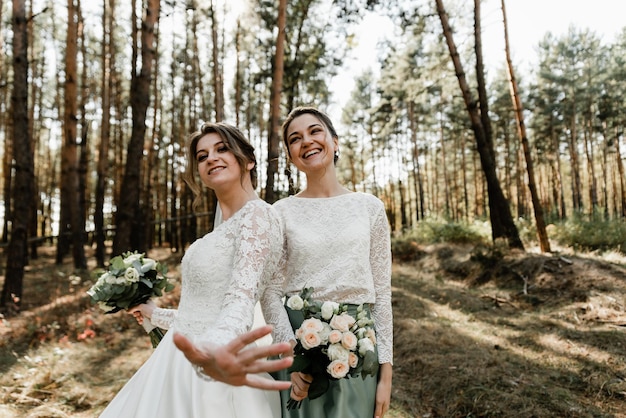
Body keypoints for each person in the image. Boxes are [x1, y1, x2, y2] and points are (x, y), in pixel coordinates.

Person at [99, 122, 287, 418]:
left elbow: (241, 299)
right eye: (202, 156)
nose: (211, 158)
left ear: (248, 160)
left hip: (216, 367)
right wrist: (154, 313)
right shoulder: (215, 234)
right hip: (175, 363)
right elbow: (198, 315)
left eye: (222, 149)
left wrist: (215, 350)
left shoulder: (257, 215)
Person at [261, 106, 393, 418]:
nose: (306, 141)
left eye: (314, 131)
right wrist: (291, 357)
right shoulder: (279, 212)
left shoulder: (370, 208)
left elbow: (383, 293)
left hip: (359, 345)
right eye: (295, 138)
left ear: (334, 141)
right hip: (298, 350)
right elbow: (269, 291)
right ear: (292, 156)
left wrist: (386, 374)